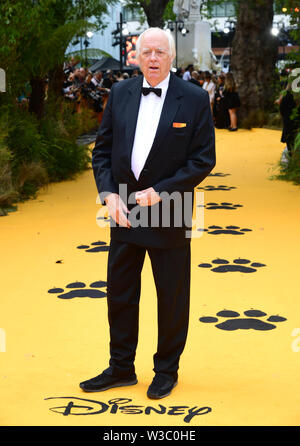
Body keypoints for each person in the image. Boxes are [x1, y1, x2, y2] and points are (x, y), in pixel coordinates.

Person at [80, 27, 215, 399]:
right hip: (124, 207)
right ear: (136, 57)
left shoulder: (193, 98)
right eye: (146, 52)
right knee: (120, 292)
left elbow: (203, 159)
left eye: (160, 51)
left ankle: (166, 370)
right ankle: (120, 366)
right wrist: (107, 194)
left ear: (172, 57)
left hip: (169, 207)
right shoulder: (120, 92)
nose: (153, 58)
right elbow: (102, 151)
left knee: (171, 295)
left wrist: (162, 191)